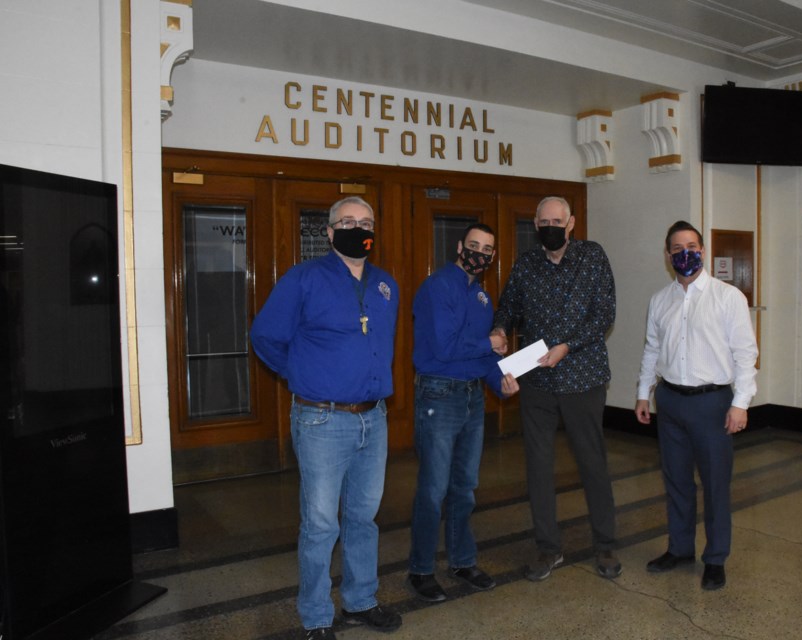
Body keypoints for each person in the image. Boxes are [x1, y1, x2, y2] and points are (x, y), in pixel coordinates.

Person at [250, 196, 401, 640]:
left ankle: (360, 599)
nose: (358, 228)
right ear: (330, 233)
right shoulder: (303, 279)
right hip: (322, 420)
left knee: (363, 517)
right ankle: (317, 615)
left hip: (373, 420)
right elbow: (265, 335)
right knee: (320, 523)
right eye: (348, 222)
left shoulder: (385, 284)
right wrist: (300, 372)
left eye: (367, 222)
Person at [492, 196, 620, 582]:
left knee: (591, 461)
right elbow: (508, 307)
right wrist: (499, 329)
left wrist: (567, 346)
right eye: (543, 220)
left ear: (571, 223)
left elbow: (604, 314)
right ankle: (548, 548)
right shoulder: (526, 264)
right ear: (535, 223)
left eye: (557, 221)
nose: (550, 226)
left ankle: (606, 544)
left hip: (583, 377)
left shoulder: (592, 256)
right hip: (538, 382)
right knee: (538, 466)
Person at [635, 220, 758, 591]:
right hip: (670, 401)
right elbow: (652, 350)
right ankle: (680, 548)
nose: (684, 252)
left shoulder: (728, 296)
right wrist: (644, 392)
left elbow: (745, 354)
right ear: (668, 255)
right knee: (676, 482)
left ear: (702, 250)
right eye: (676, 247)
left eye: (691, 245)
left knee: (716, 485)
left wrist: (740, 404)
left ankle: (716, 558)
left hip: (713, 403)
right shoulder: (660, 300)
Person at [406, 223, 518, 602]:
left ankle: (461, 560)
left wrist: (498, 378)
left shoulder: (482, 296)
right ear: (459, 247)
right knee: (433, 489)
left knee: (465, 487)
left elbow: (482, 356)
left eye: (487, 249)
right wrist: (489, 343)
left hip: (472, 398)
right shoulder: (439, 286)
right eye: (474, 246)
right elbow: (444, 347)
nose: (480, 254)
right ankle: (421, 569)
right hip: (439, 395)